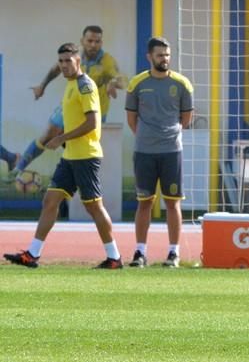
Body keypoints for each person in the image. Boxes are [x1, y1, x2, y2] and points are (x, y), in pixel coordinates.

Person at [3, 43, 122, 269]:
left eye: (69, 60)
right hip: (70, 156)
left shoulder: (85, 85)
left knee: (94, 207)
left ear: (78, 61)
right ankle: (32, 254)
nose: (64, 65)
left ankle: (114, 257)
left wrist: (61, 137)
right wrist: (63, 140)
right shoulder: (69, 85)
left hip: (86, 156)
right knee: (50, 201)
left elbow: (92, 123)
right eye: (61, 61)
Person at [14, 25, 125, 175]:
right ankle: (18, 169)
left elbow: (122, 79)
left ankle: (75, 188)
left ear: (101, 42)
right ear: (82, 40)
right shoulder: (74, 54)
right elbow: (56, 68)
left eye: (97, 41)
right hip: (71, 105)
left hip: (94, 112)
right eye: (90, 40)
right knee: (49, 134)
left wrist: (113, 83)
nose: (93, 45)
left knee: (82, 150)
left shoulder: (107, 61)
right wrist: (42, 86)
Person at [125, 37, 194, 268]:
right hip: (144, 152)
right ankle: (140, 252)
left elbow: (185, 119)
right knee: (144, 202)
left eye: (167, 55)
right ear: (149, 57)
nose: (164, 59)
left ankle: (174, 253)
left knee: (172, 203)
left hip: (171, 151)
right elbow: (131, 119)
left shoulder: (183, 84)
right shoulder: (137, 84)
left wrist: (167, 135)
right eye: (159, 55)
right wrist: (147, 136)